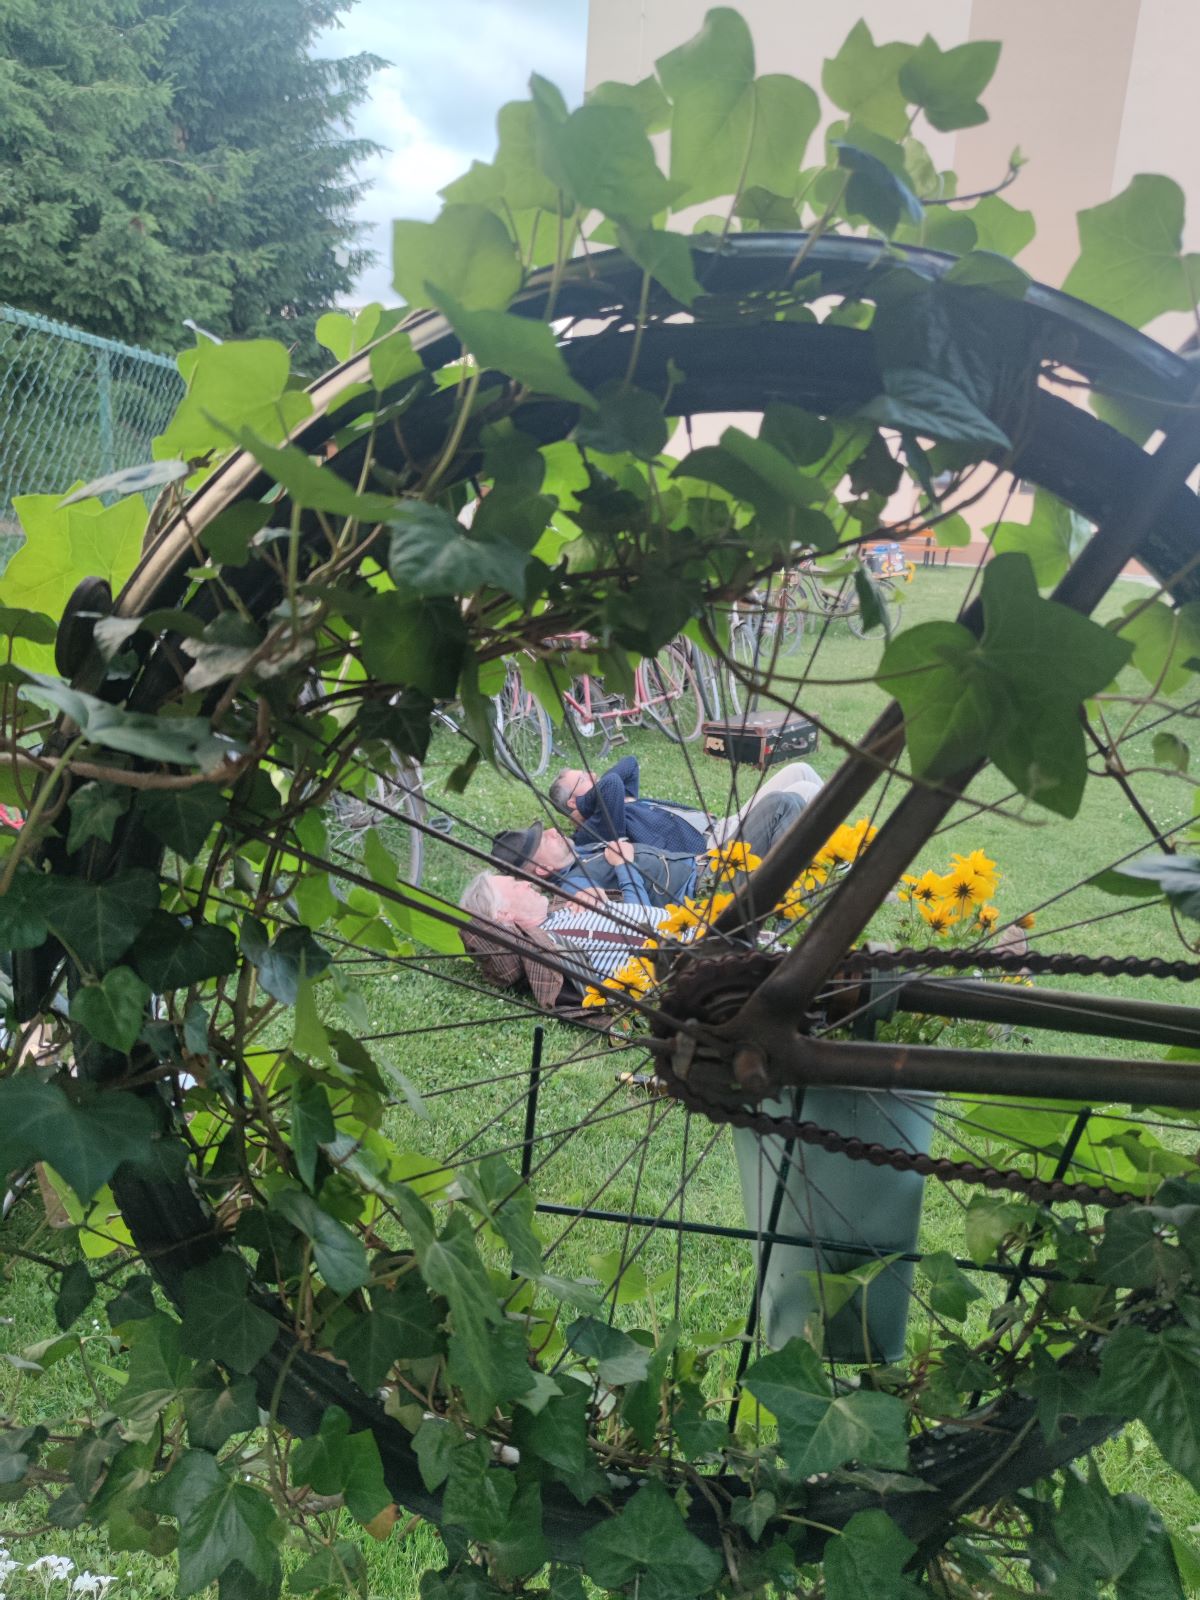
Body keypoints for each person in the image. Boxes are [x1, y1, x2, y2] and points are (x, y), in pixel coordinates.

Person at [459, 864, 666, 1001]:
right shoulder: (545, 945)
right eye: (515, 885)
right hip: (678, 954)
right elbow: (503, 963)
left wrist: (599, 896)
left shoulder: (556, 913)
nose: (528, 883)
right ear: (503, 914)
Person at [549, 754, 822, 856]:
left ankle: (835, 848)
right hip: (716, 851)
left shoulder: (615, 800)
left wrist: (587, 796)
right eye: (584, 778)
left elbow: (630, 763)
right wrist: (583, 807)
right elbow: (611, 784)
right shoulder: (596, 829)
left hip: (722, 826)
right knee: (802, 793)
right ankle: (827, 855)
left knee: (801, 770)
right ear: (573, 800)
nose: (593, 774)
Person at [490, 821, 698, 909]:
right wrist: (623, 864)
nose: (553, 831)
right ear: (543, 869)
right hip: (693, 893)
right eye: (545, 840)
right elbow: (639, 918)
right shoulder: (575, 887)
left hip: (700, 864)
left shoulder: (578, 852)